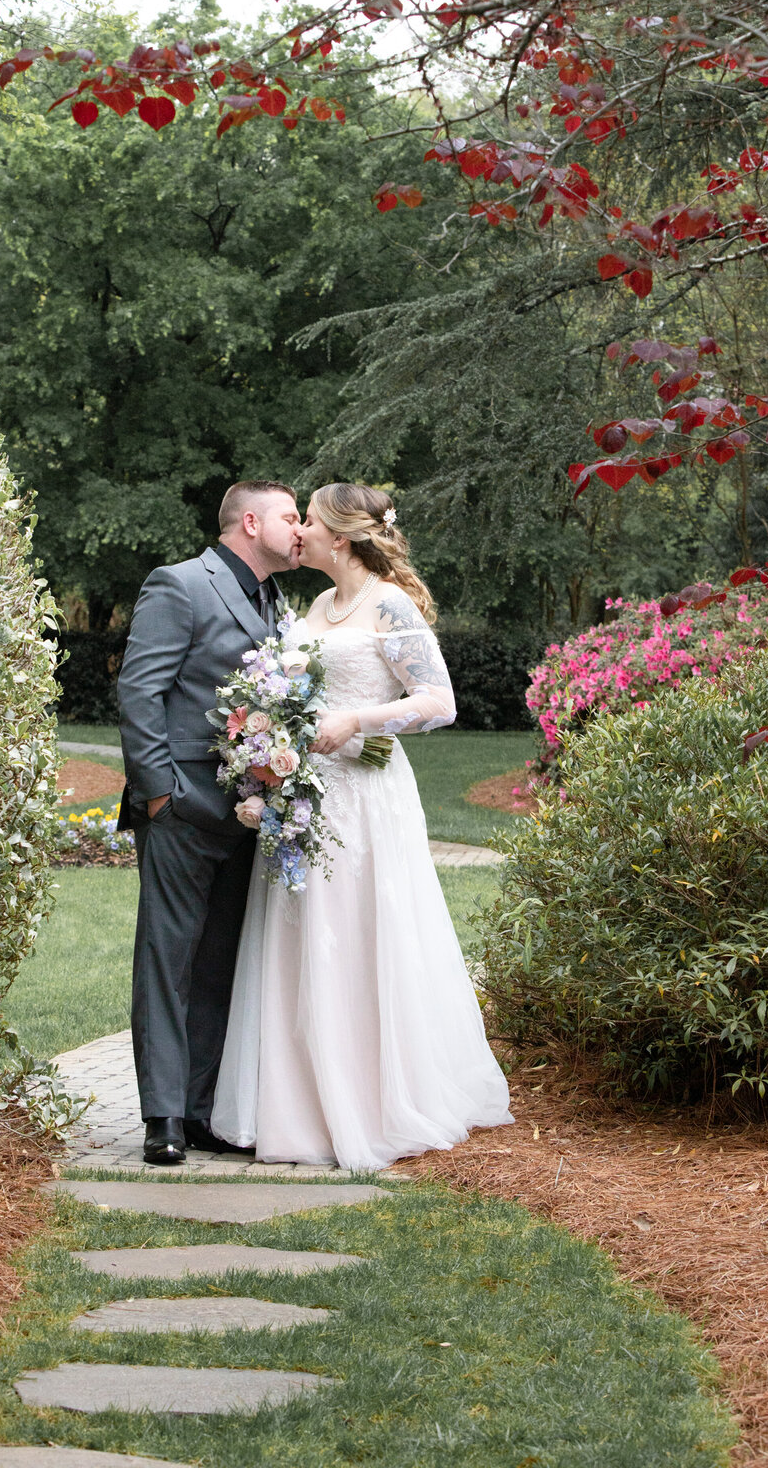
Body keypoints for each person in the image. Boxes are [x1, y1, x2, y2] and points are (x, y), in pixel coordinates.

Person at [212, 482, 513, 1169]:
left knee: (358, 932)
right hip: (307, 791)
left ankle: (373, 1104)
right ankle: (301, 1108)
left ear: (340, 537)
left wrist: (359, 721)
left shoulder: (389, 603)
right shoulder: (318, 605)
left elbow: (438, 702)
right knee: (302, 933)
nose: (299, 532)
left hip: (366, 794)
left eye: (309, 521)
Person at [117, 480, 302, 1165]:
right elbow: (140, 689)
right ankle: (162, 1116)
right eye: (290, 516)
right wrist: (159, 795)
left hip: (247, 812)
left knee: (220, 962)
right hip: (180, 808)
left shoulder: (276, 601)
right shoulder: (181, 584)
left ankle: (200, 1110)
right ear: (250, 522)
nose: (301, 528)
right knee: (167, 961)